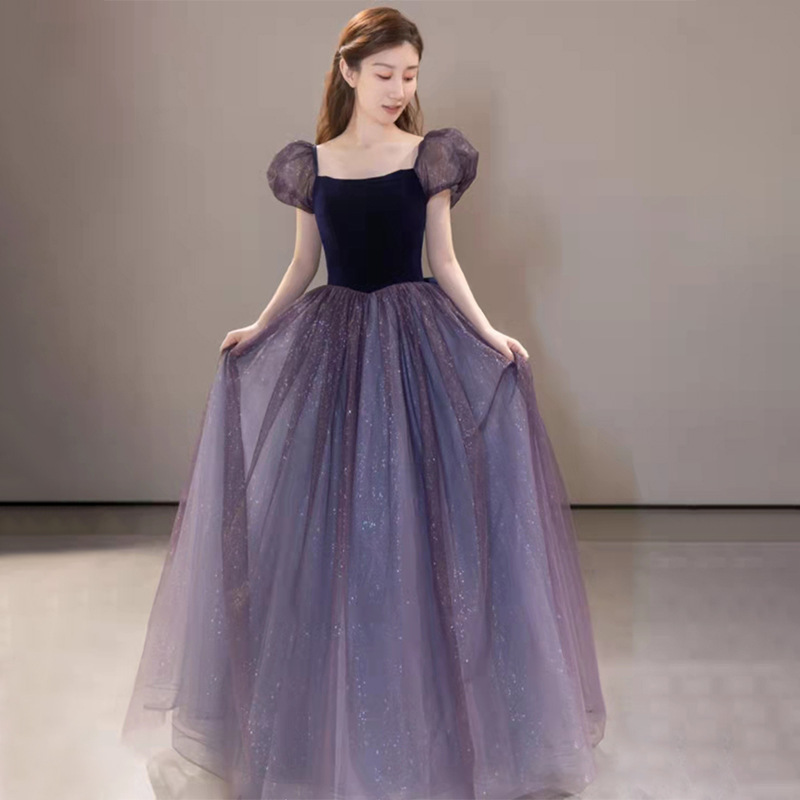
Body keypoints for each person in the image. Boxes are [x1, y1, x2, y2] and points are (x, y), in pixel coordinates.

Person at [121, 7, 606, 799]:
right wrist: (259, 325)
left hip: (417, 345)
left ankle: (432, 731)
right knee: (331, 534)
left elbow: (445, 261)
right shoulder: (311, 166)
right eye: (384, 74)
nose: (398, 89)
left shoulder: (429, 157)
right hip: (337, 347)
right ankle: (327, 732)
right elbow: (303, 265)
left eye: (410, 75)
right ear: (348, 71)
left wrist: (488, 334)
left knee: (421, 528)